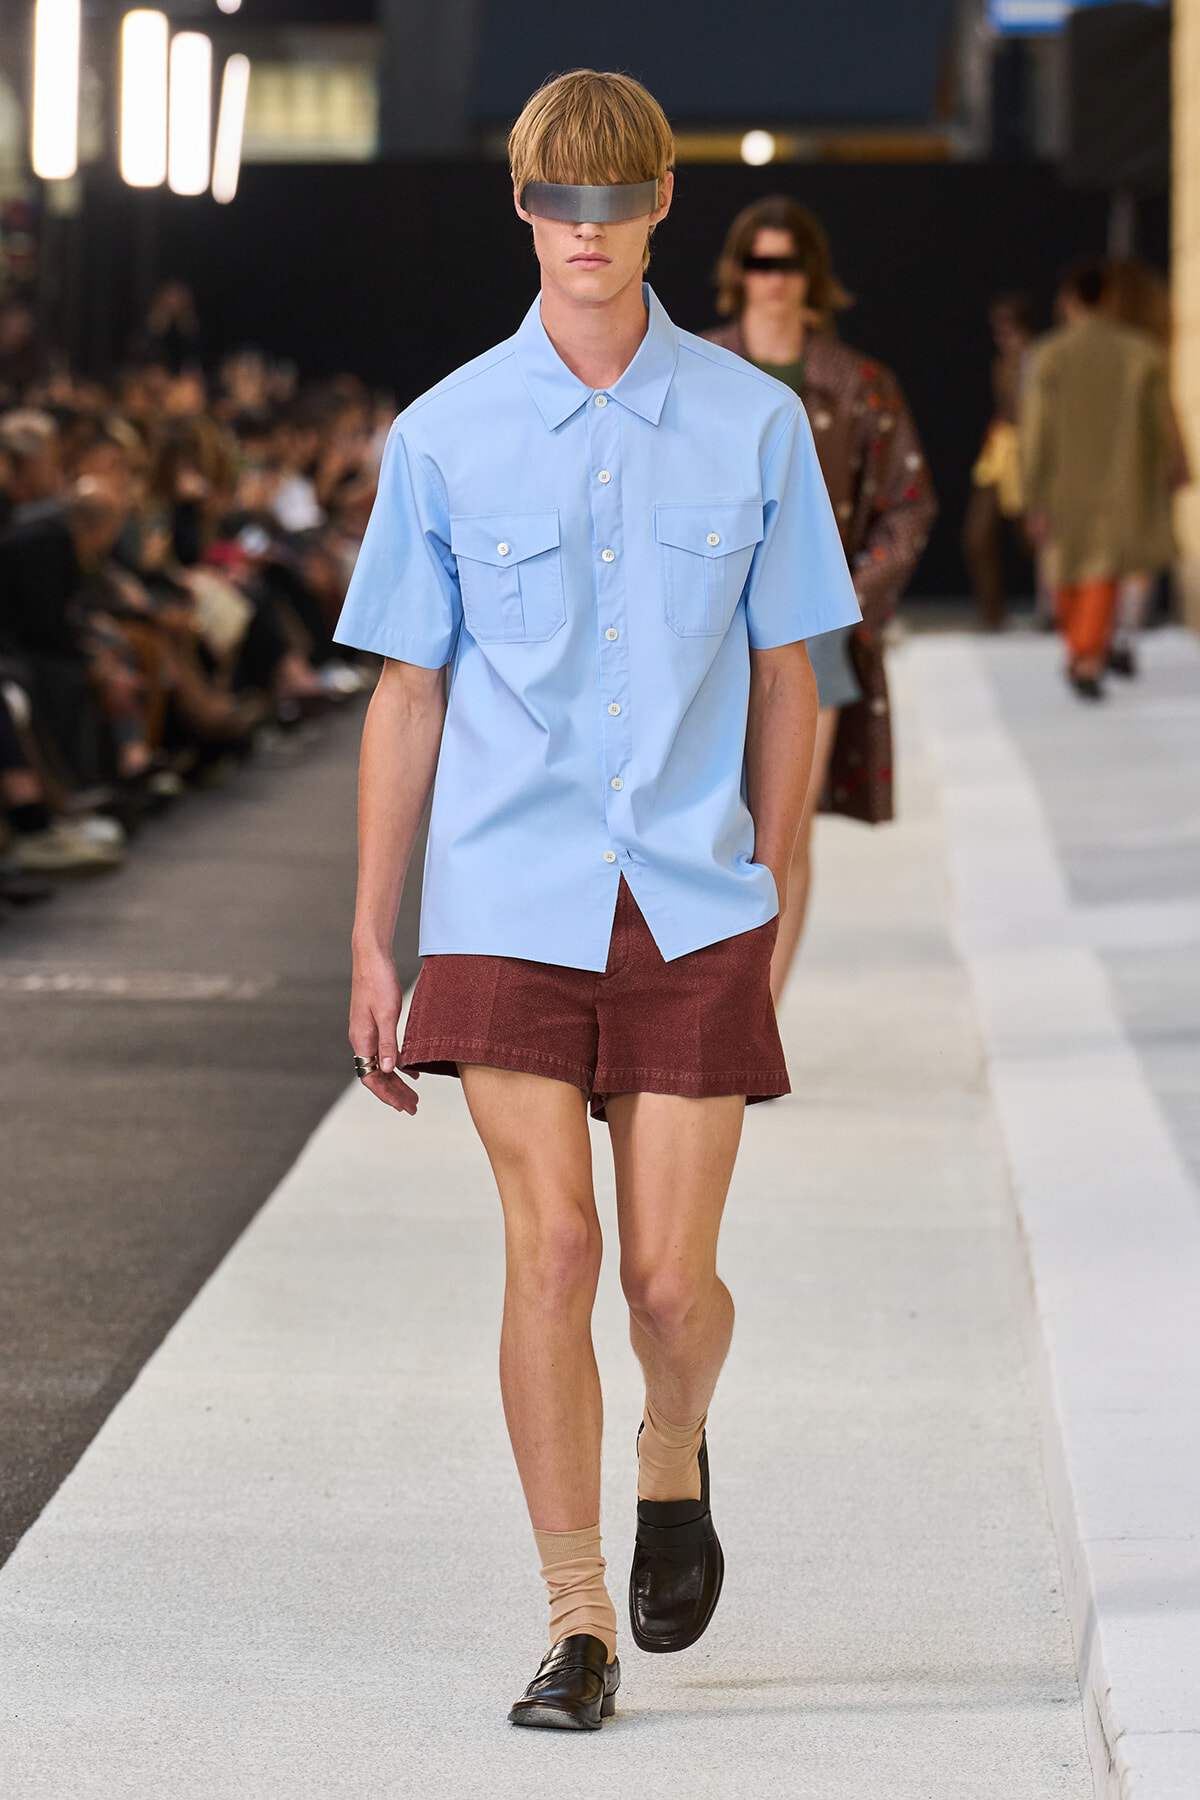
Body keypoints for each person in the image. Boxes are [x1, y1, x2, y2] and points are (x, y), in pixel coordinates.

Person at [333, 72, 859, 1731]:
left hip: (694, 895)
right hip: (504, 891)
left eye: (612, 208)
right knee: (553, 1246)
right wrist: (372, 929)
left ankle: (671, 1447)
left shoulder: (752, 424)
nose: (584, 237)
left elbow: (798, 677)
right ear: (520, 212)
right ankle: (575, 1622)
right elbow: (406, 693)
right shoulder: (447, 432)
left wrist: (770, 887)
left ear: (657, 209)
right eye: (557, 209)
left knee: (662, 1289)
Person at [701, 196, 935, 1002]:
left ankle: (753, 1015)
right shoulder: (690, 367)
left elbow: (909, 506)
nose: (774, 281)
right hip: (698, 626)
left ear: (813, 278)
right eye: (760, 263)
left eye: (788, 265)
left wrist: (841, 596)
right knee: (697, 821)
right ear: (737, 273)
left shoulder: (860, 385)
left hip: (815, 628)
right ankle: (699, 1001)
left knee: (783, 825)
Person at [1020, 256, 1175, 699]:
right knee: (1100, 571)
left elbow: (1036, 431)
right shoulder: (1141, 352)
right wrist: (1160, 474)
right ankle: (1085, 655)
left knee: (1072, 572)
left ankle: (1084, 656)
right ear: (1107, 297)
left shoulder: (1048, 356)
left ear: (1070, 299)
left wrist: (1032, 493)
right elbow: (1157, 425)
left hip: (1062, 485)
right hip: (1121, 480)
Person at [1100, 256, 1190, 677]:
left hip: (1108, 453)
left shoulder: (1108, 346)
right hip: (1142, 456)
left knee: (1109, 549)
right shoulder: (1152, 344)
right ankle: (1125, 633)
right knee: (1139, 550)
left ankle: (1108, 632)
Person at [962, 292, 1037, 632]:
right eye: (998, 328)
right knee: (977, 535)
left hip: (1033, 456)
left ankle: (1063, 612)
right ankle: (992, 613)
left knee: (1035, 536)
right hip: (1002, 453)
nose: (1004, 335)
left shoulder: (1040, 361)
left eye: (1010, 327)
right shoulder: (1001, 363)